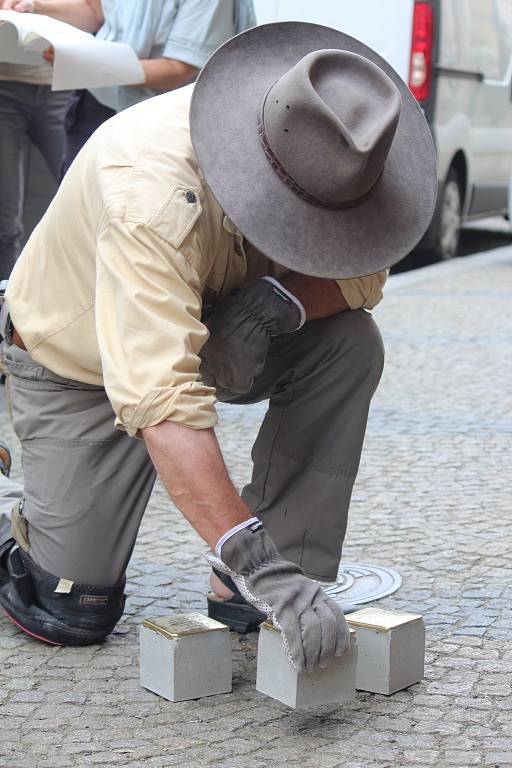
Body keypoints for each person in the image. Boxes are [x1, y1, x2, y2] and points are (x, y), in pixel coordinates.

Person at [0, 23, 436, 672]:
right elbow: (162, 396)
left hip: (211, 328)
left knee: (348, 344)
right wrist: (252, 554)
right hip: (77, 367)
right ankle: (22, 516)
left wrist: (274, 307)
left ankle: (268, 588)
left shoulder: (344, 140)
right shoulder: (150, 189)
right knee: (68, 608)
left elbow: (365, 268)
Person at [2, 0, 256, 175]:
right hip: (93, 106)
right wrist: (35, 7)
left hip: (156, 125)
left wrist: (88, 64)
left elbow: (178, 70)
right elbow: (97, 11)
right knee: (77, 216)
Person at [0, 58, 70, 278]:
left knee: (90, 196)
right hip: (5, 87)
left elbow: (98, 21)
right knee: (5, 221)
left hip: (64, 87)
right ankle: (8, 303)